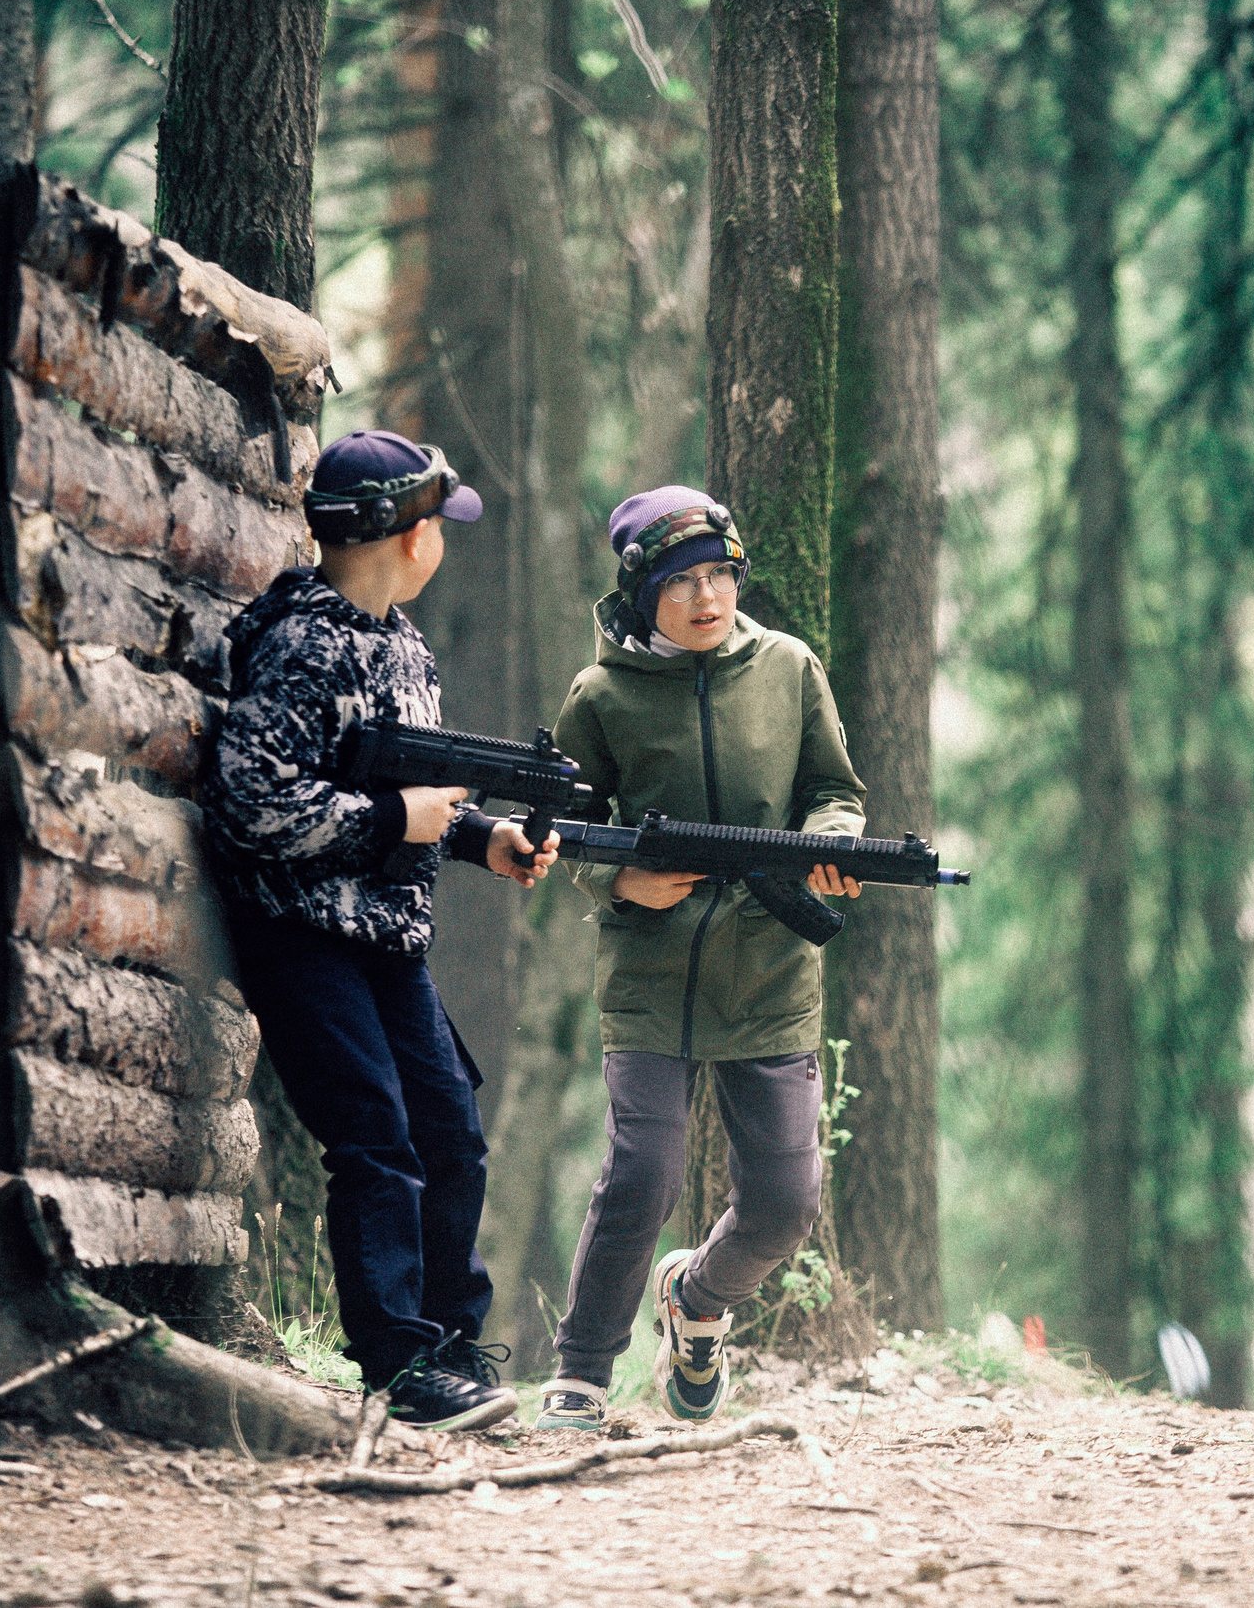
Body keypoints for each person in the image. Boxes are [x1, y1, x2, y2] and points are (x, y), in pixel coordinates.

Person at [201, 428, 557, 1432]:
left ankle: (451, 1345)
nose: (444, 538)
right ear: (407, 538)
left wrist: (482, 837)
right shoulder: (299, 639)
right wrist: (393, 823)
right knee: (374, 1138)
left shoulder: (403, 643)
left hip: (388, 938)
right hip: (299, 934)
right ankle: (397, 1364)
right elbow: (248, 800)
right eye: (438, 521)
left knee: (451, 1133)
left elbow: (406, 791)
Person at [534, 487, 869, 1431]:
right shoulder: (599, 696)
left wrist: (828, 848)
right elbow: (566, 824)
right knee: (644, 1172)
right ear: (643, 596)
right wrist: (616, 885)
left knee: (784, 1203)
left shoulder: (790, 667)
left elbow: (834, 791)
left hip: (767, 967)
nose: (705, 597)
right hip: (648, 974)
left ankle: (698, 1302)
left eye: (719, 574)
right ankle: (583, 1370)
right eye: (680, 582)